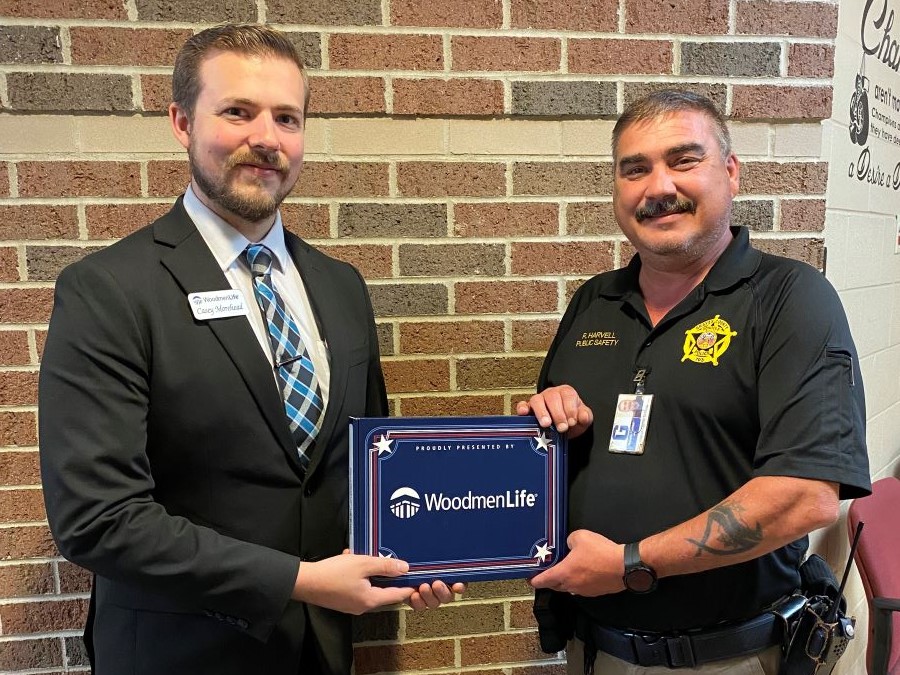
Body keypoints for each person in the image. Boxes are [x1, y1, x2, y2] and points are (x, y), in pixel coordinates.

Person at [39, 24, 461, 675]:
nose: (266, 138)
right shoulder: (109, 291)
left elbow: (364, 465)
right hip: (177, 656)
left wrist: (417, 551)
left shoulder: (340, 286)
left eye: (287, 118)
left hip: (320, 653)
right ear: (181, 121)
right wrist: (302, 579)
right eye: (238, 111)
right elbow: (98, 518)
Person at [516, 90, 871, 674]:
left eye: (683, 160)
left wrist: (631, 562)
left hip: (729, 656)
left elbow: (807, 495)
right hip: (593, 649)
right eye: (635, 169)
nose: (657, 187)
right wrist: (555, 420)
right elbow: (542, 459)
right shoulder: (593, 303)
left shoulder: (789, 299)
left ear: (730, 173)